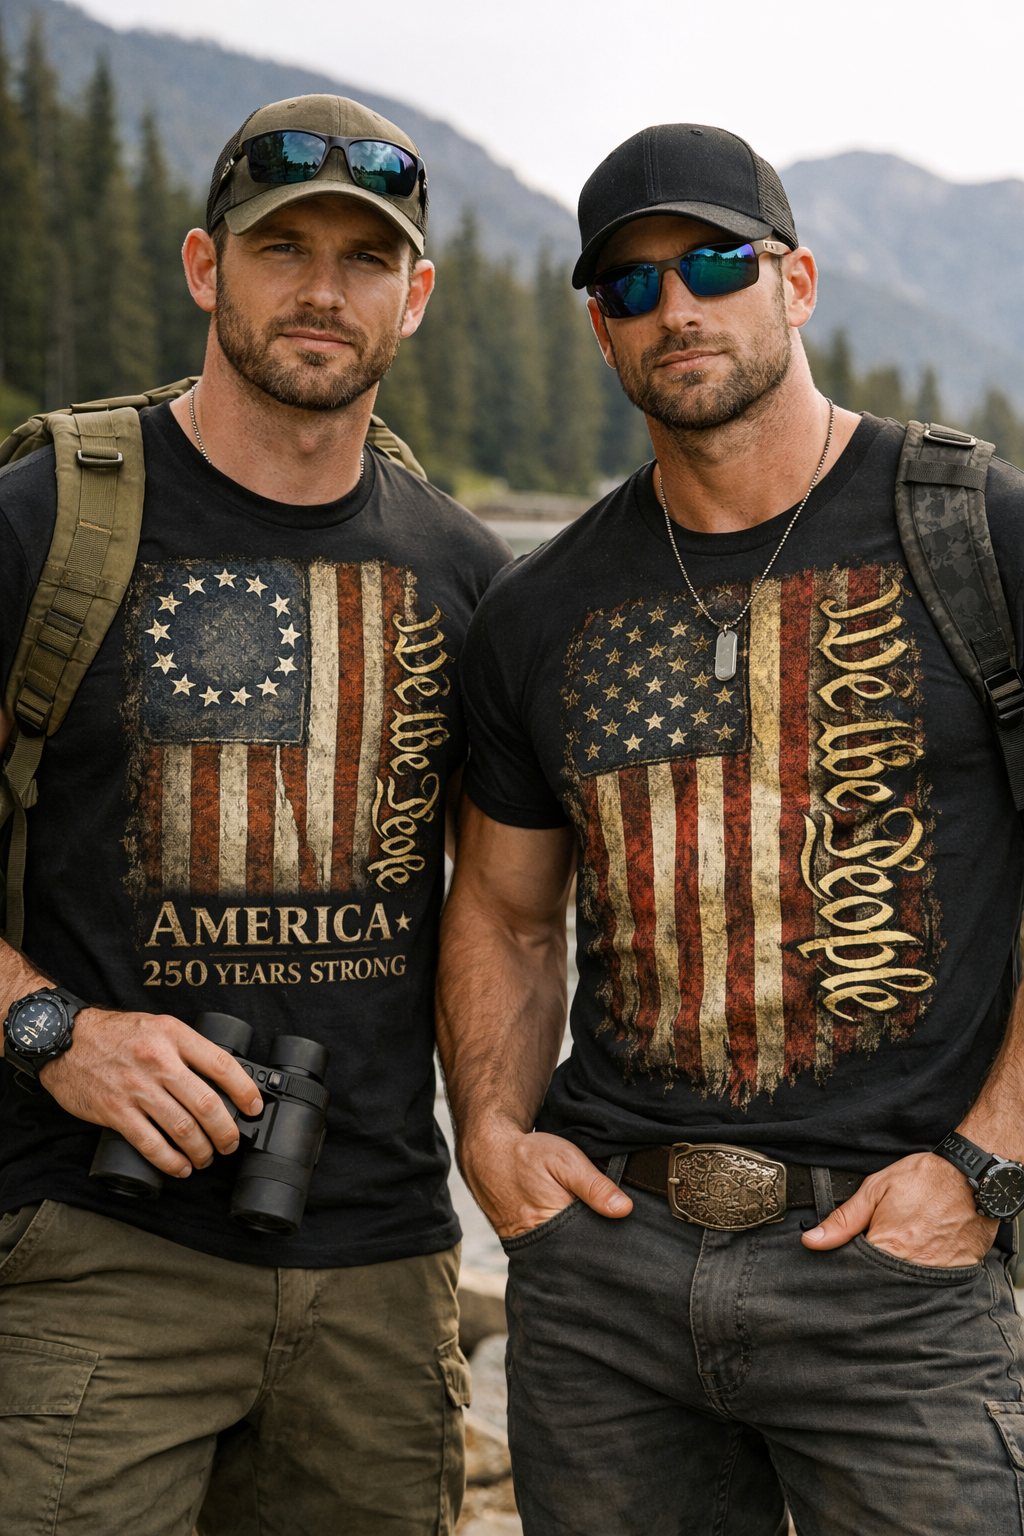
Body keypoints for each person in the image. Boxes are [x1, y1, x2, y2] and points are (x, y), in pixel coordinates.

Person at [438, 122, 1024, 1535]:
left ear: (798, 280)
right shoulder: (542, 609)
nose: (676, 307)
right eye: (631, 287)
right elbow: (509, 911)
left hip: (901, 1280)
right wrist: (495, 1143)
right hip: (610, 1289)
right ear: (598, 328)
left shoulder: (980, 534)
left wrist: (989, 1168)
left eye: (713, 262)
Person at [0, 93, 508, 1535]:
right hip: (95, 1251)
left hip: (380, 1261)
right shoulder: (45, 526)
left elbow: (509, 912)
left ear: (413, 297)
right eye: (283, 247)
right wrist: (60, 1033)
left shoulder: (467, 572)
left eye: (364, 259)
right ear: (203, 266)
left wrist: (505, 1140)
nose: (322, 290)